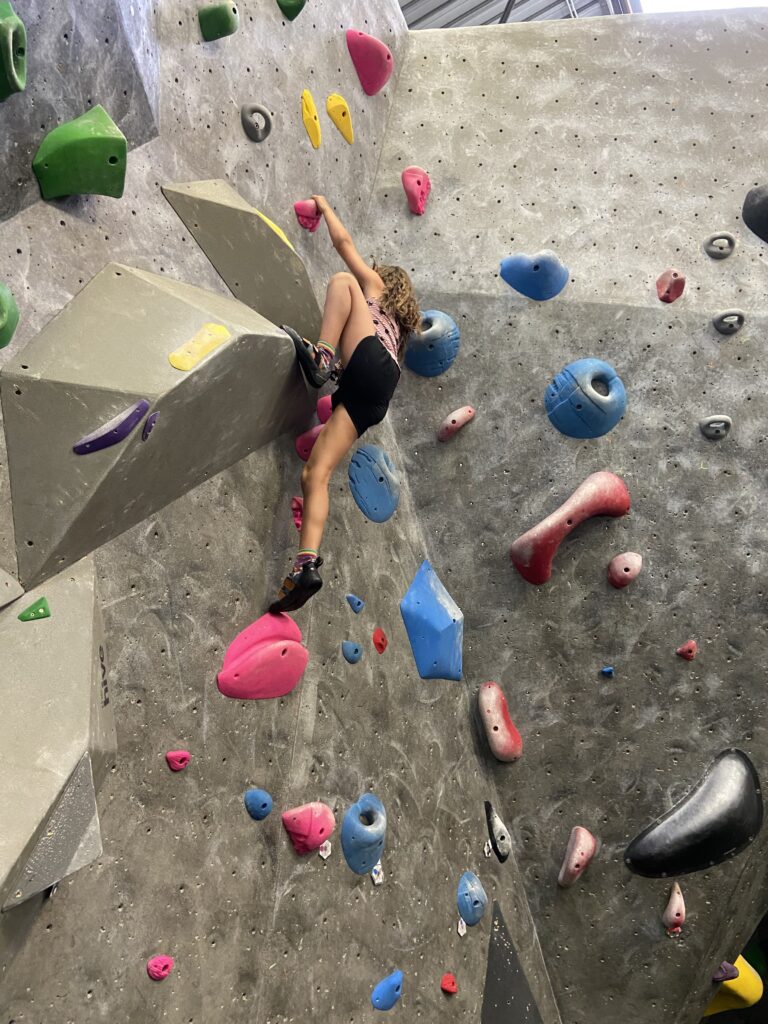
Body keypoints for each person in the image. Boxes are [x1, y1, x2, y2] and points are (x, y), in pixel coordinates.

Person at [269, 195, 421, 614]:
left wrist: (323, 204)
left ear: (388, 283)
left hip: (366, 366)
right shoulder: (397, 336)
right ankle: (305, 565)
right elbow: (369, 369)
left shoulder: (376, 290)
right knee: (315, 475)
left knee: (342, 280)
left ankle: (321, 354)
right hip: (374, 394)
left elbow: (344, 243)